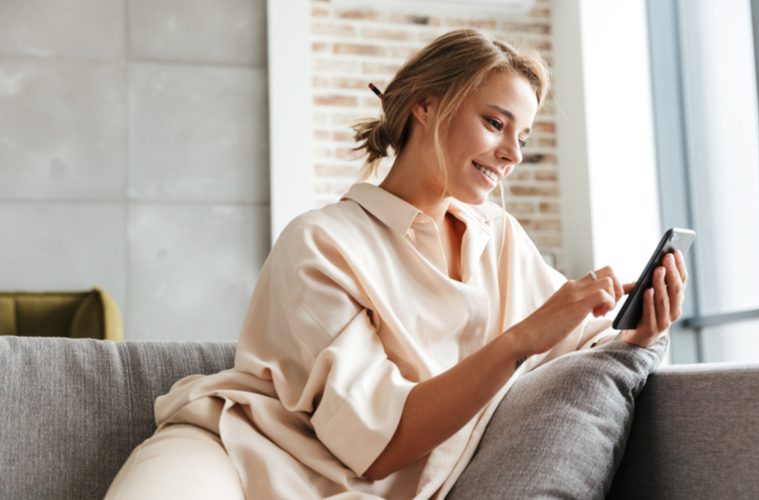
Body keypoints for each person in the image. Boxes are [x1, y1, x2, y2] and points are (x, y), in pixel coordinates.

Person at [106, 28, 688, 499]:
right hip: (235, 454)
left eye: (524, 136)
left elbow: (588, 341)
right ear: (426, 106)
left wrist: (643, 326)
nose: (512, 154)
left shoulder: (499, 239)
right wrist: (520, 339)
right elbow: (381, 442)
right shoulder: (321, 242)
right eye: (495, 123)